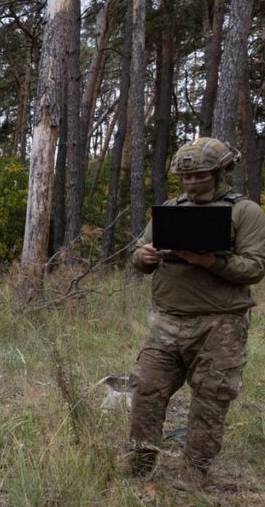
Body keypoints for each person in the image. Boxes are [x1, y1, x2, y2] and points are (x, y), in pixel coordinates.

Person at [129, 137, 265, 490]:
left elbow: (254, 268)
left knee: (210, 399)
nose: (191, 182)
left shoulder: (244, 211)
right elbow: (139, 255)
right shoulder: (170, 209)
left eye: (199, 175)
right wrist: (144, 257)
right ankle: (141, 463)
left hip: (220, 325)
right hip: (166, 321)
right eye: (186, 177)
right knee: (146, 389)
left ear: (220, 173)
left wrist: (211, 262)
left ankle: (195, 472)